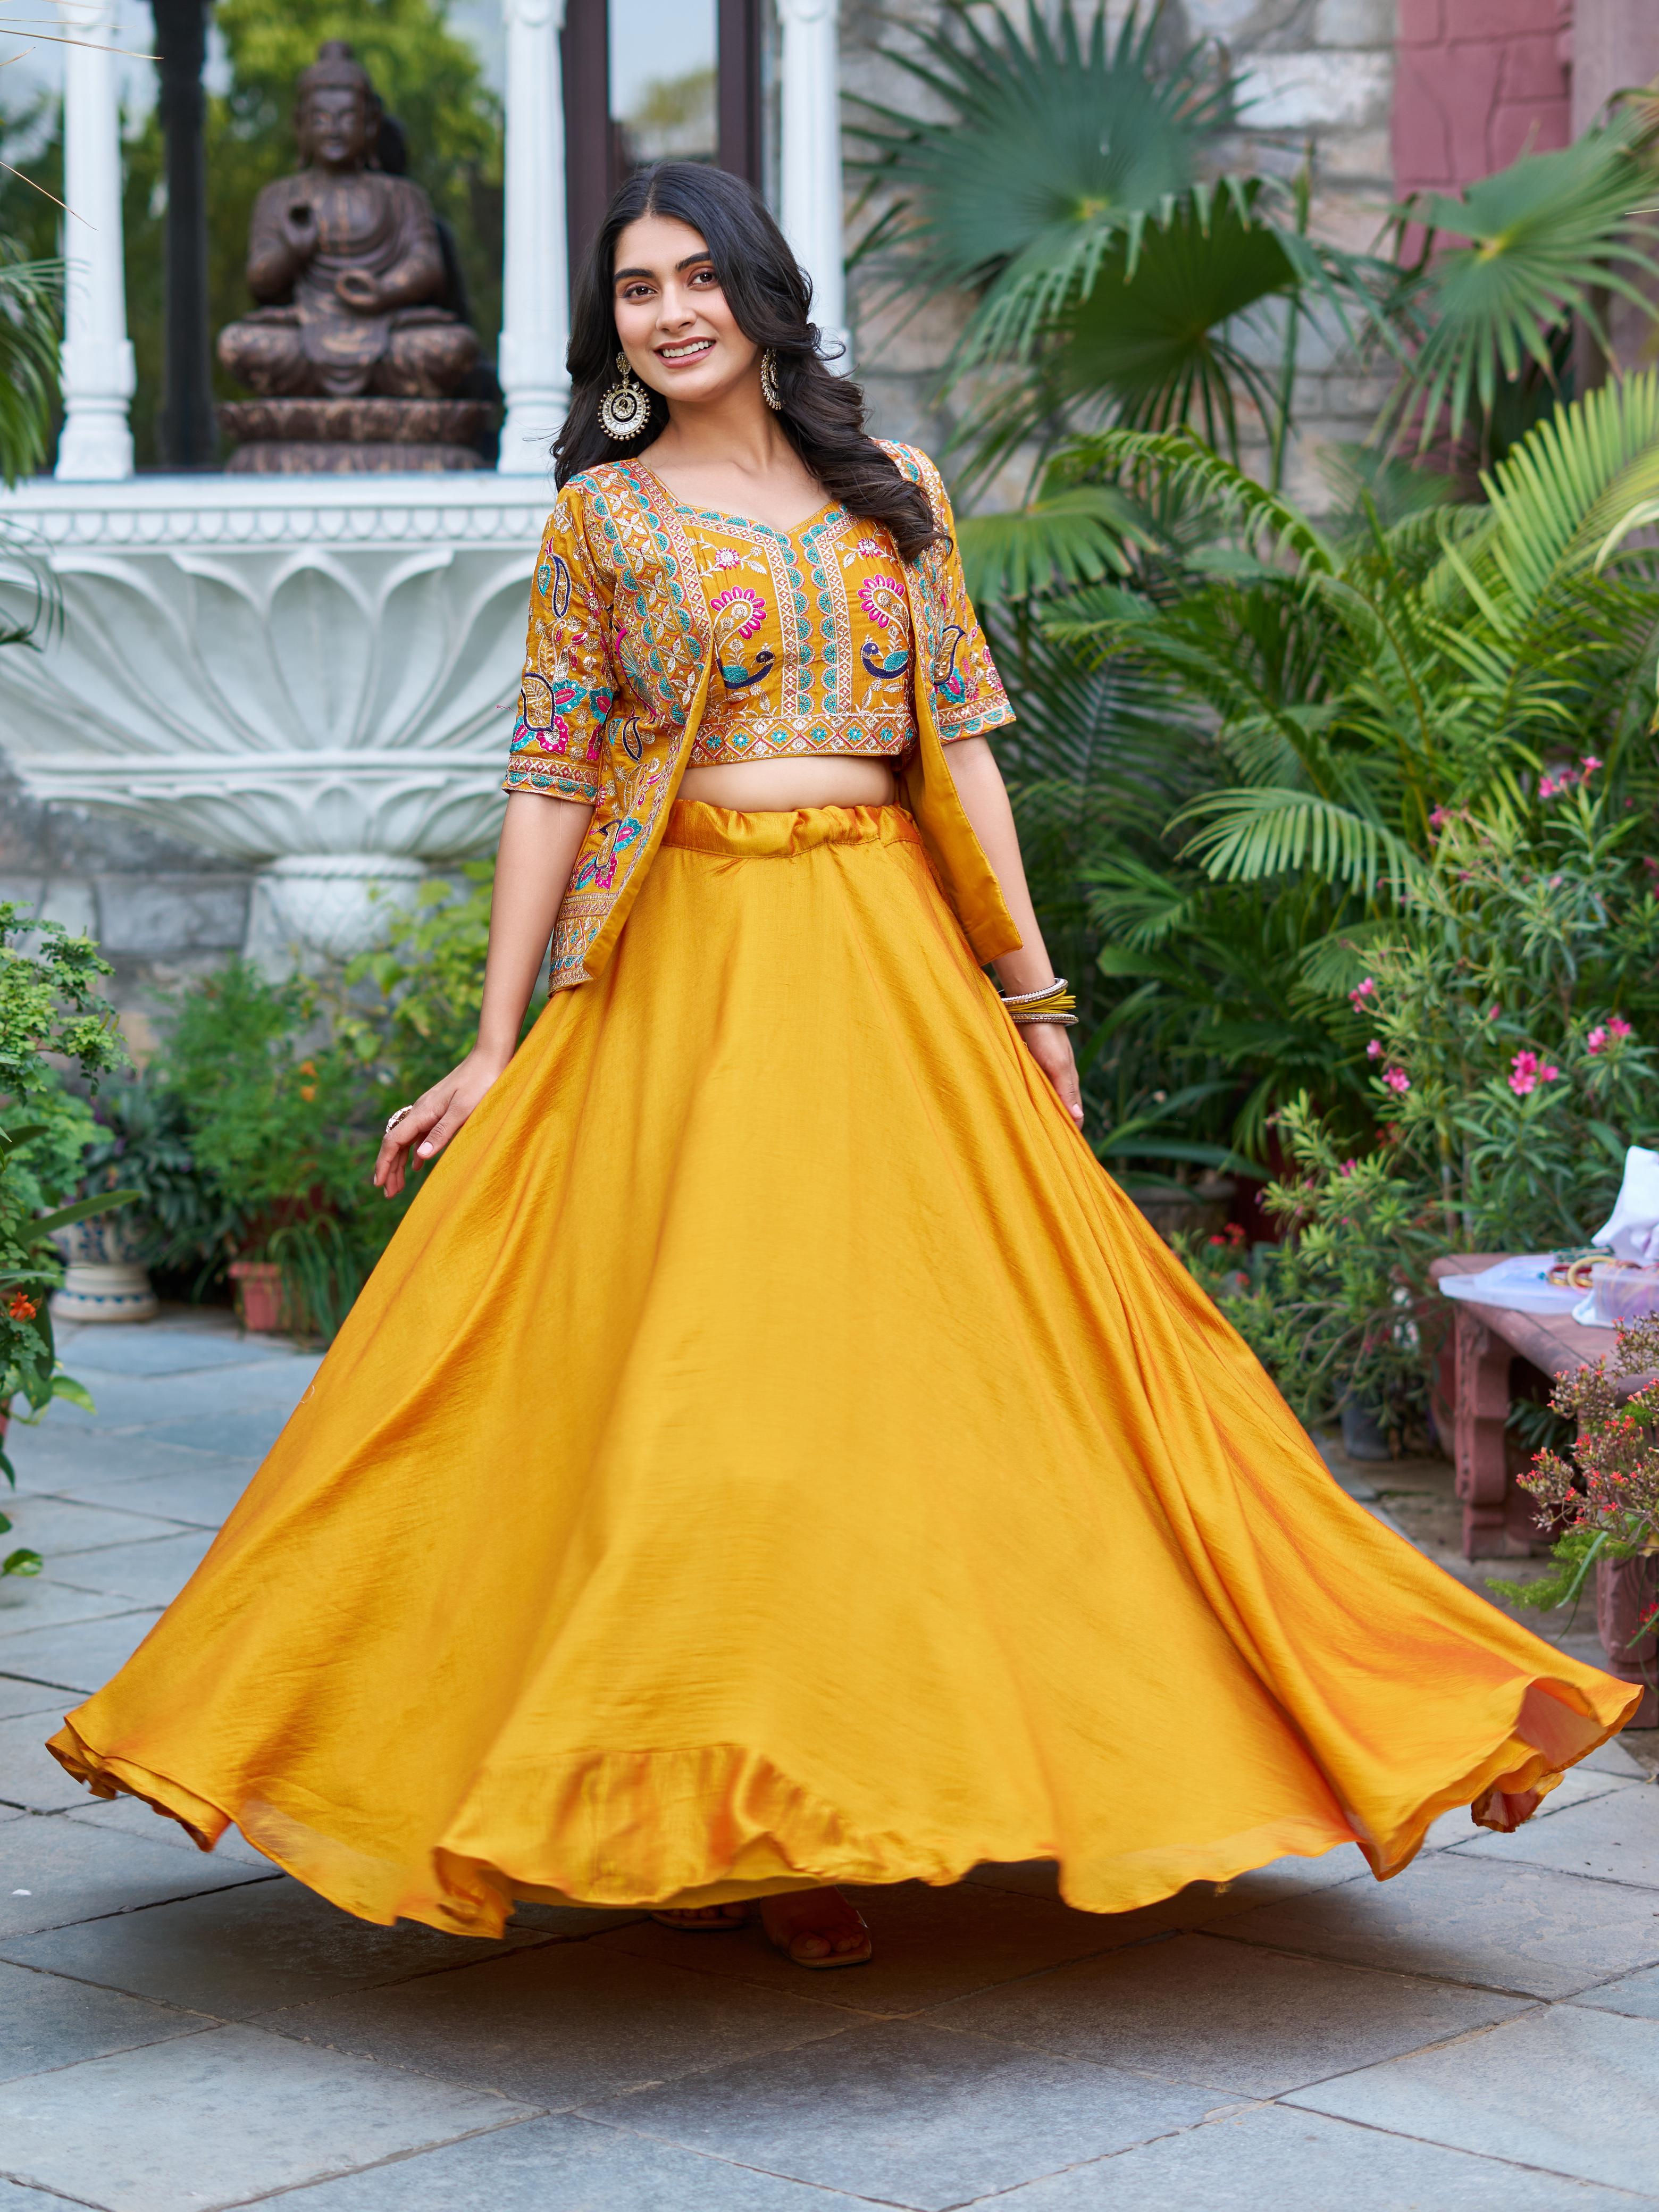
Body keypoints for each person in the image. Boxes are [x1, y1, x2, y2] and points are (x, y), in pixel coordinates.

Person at [50, 163, 1639, 1971]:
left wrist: (1037, 1007)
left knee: (961, 1386)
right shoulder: (605, 521)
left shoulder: (903, 502)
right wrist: (496, 1042)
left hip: (888, 974)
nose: (668, 310)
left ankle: (977, 1775)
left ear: (761, 294)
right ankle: (756, 1810)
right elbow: (550, 780)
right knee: (711, 1405)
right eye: (635, 288)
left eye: (697, 276)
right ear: (615, 328)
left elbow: (961, 762)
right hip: (686, 982)